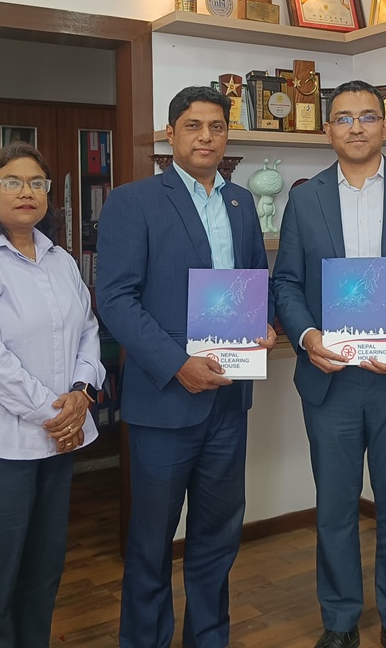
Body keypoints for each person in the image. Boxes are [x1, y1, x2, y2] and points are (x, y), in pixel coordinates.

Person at [272, 80, 386, 648]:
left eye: (368, 116)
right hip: (331, 381)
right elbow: (287, 282)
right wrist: (307, 337)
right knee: (334, 509)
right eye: (345, 118)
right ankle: (340, 620)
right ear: (328, 129)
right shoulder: (304, 199)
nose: (356, 127)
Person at [97, 85, 275, 648]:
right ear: (170, 134)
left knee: (218, 538)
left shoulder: (240, 202)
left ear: (227, 136)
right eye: (193, 126)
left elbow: (254, 280)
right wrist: (177, 365)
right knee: (152, 542)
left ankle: (209, 638)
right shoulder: (133, 201)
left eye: (216, 127)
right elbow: (115, 299)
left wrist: (266, 324)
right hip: (165, 400)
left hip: (229, 399)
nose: (206, 137)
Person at [0, 142, 106, 648]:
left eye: (37, 182)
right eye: (11, 182)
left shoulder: (61, 261)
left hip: (56, 442)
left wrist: (81, 391)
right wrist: (56, 413)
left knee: (42, 570)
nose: (26, 191)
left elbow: (88, 330)